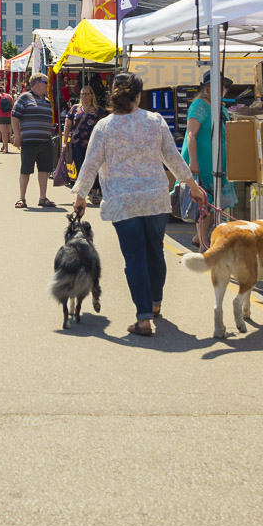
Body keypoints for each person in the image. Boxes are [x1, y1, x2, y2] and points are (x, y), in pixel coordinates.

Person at [73, 71, 208, 338]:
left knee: (134, 256)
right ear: (138, 95)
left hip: (123, 202)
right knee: (155, 252)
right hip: (154, 198)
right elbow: (172, 157)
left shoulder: (105, 126)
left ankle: (144, 317)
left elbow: (90, 164)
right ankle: (155, 303)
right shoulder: (154, 121)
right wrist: (193, 187)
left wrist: (80, 197)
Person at [184, 73, 235, 249]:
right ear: (207, 87)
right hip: (203, 160)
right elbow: (191, 134)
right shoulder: (200, 105)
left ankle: (201, 237)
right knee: (205, 201)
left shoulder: (221, 107)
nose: (222, 89)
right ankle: (203, 241)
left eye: (223, 86)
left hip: (218, 161)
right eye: (217, 85)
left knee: (214, 202)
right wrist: (193, 161)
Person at [13, 73, 57, 209]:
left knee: (44, 170)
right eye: (46, 83)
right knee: (25, 170)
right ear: (37, 83)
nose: (47, 86)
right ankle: (22, 198)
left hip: (45, 141)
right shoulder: (25, 97)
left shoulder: (46, 100)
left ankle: (43, 198)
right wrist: (17, 136)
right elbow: (14, 117)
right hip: (29, 141)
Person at [65, 85, 105, 202]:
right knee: (80, 168)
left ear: (92, 95)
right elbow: (68, 126)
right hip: (77, 144)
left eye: (86, 94)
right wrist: (65, 142)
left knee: (94, 168)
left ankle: (94, 194)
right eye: (82, 94)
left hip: (95, 145)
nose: (83, 96)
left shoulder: (99, 111)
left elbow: (104, 127)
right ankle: (81, 195)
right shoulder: (75, 109)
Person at [0, 86, 15, 153]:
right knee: (7, 132)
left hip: (1, 115)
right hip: (9, 116)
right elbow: (13, 106)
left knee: (3, 133)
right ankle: (4, 146)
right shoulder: (9, 96)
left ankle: (6, 148)